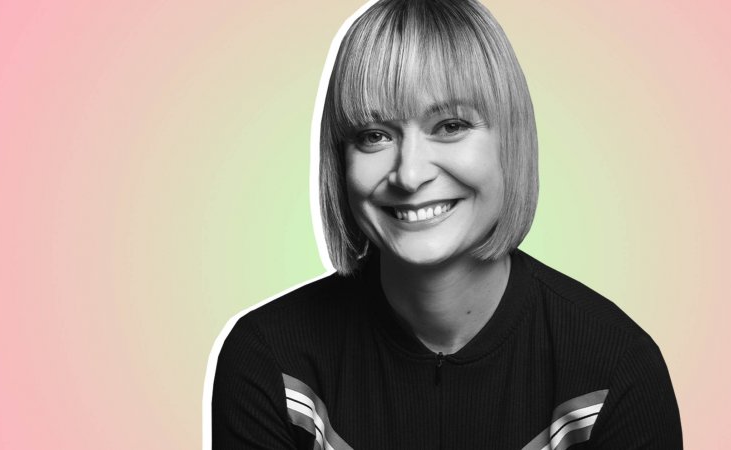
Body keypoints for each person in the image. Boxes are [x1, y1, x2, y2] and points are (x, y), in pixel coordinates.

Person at [208, 0, 682, 448]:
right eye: (374, 135)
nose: (410, 174)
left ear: (511, 142)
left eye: (451, 126)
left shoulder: (614, 367)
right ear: (340, 161)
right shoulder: (270, 361)